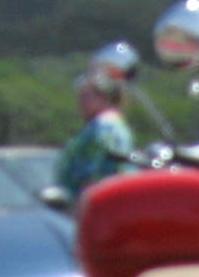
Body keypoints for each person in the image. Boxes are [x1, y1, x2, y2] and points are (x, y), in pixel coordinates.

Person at [52, 74, 136, 202]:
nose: (81, 102)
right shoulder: (113, 125)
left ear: (104, 98)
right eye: (80, 97)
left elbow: (96, 173)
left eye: (86, 97)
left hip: (95, 203)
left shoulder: (104, 128)